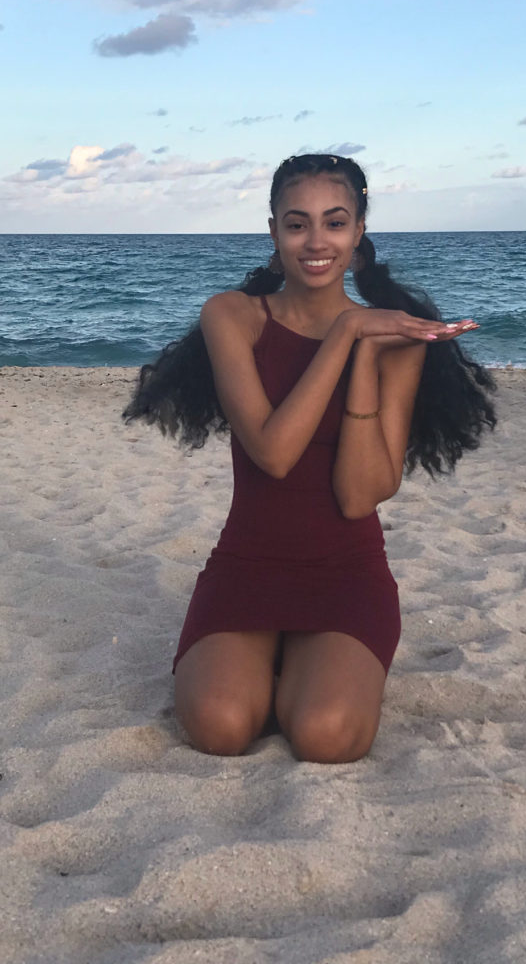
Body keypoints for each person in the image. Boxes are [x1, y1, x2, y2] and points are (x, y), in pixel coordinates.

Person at [125, 153, 496, 764]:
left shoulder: (395, 339)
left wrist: (369, 358)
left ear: (359, 232)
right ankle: (272, 660)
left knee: (326, 736)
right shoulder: (233, 316)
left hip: (346, 572)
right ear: (273, 231)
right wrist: (347, 336)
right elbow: (273, 453)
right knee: (220, 728)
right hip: (247, 564)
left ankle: (301, 663)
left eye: (335, 222)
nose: (316, 241)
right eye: (297, 224)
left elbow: (360, 495)